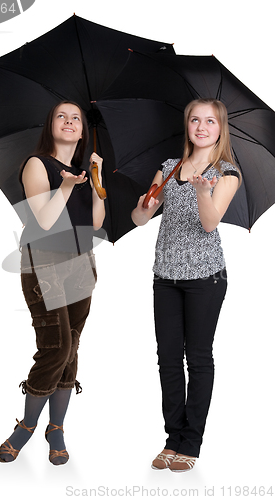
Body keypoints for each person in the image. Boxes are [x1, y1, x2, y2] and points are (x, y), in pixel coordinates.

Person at [131, 98, 240, 472]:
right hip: (165, 276)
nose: (201, 126)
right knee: (167, 359)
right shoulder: (168, 167)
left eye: (210, 121)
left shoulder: (226, 173)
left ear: (219, 128)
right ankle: (172, 438)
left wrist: (201, 191)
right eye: (195, 119)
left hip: (206, 279)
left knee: (198, 357)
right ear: (188, 125)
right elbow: (141, 217)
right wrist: (144, 207)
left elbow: (209, 224)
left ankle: (190, 443)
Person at [0, 101, 105, 465]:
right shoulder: (37, 164)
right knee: (55, 347)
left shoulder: (83, 172)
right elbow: (43, 221)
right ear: (50, 124)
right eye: (62, 115)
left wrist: (96, 180)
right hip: (43, 263)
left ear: (83, 130)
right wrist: (66, 187)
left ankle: (55, 427)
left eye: (77, 118)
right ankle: (26, 426)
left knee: (70, 348)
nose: (70, 121)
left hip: (81, 264)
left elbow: (94, 222)